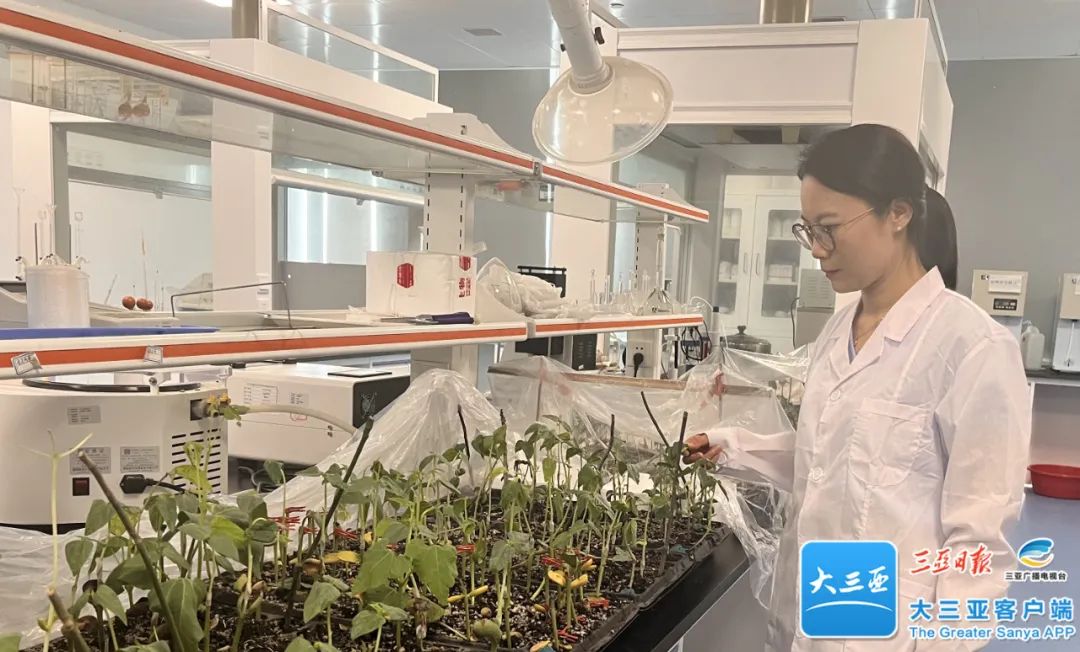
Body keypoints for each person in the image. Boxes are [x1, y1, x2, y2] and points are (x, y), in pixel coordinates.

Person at [685, 124, 1030, 651]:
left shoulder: (972, 347)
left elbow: (980, 538)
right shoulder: (836, 332)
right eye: (808, 230)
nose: (817, 250)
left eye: (829, 228)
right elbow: (827, 460)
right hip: (811, 613)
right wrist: (732, 447)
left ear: (898, 213)